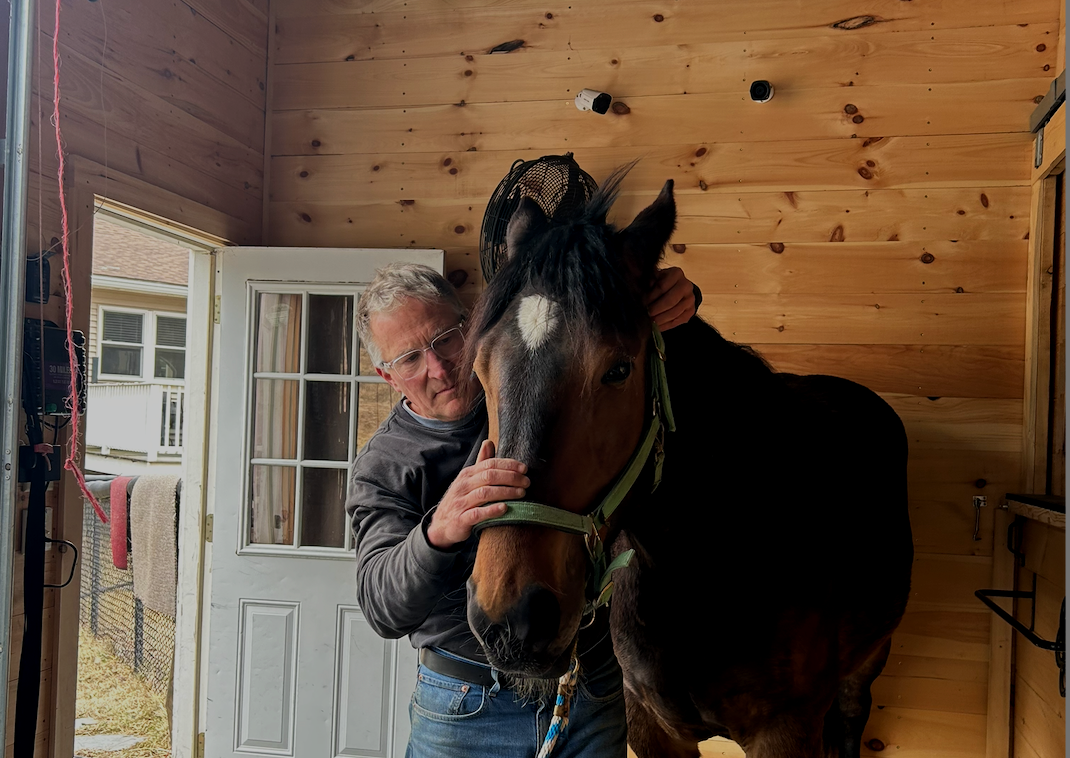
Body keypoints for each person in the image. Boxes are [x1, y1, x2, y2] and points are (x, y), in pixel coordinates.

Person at [347, 262, 699, 758]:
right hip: (464, 707)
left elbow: (601, 323)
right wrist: (439, 530)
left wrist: (668, 296)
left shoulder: (543, 381)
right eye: (409, 358)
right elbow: (383, 606)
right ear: (387, 375)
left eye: (446, 338)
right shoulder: (383, 466)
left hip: (588, 688)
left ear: (473, 323)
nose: (439, 367)